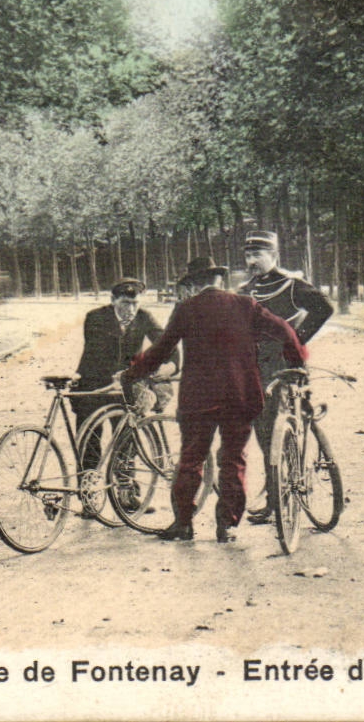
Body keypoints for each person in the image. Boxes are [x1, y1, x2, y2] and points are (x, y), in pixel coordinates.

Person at [122, 257, 305, 543]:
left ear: (194, 284)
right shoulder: (246, 305)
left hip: (199, 398)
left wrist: (134, 372)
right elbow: (284, 331)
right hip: (239, 397)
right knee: (233, 460)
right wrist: (296, 361)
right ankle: (227, 526)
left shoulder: (186, 309)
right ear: (220, 280)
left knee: (191, 459)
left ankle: (183, 524)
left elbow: (161, 350)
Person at [236, 230, 333, 524]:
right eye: (249, 255)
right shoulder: (245, 290)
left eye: (259, 255)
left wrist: (297, 339)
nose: (253, 261)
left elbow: (324, 308)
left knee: (290, 423)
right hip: (256, 367)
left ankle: (294, 481)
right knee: (264, 432)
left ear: (274, 256)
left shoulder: (291, 286)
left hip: (286, 363)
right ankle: (274, 495)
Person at [72, 278, 166, 472]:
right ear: (113, 300)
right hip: (93, 386)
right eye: (125, 303)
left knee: (126, 441)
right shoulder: (95, 318)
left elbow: (167, 345)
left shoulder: (144, 317)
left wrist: (166, 366)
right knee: (88, 445)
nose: (130, 310)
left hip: (124, 387)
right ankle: (88, 492)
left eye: (135, 304)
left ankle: (126, 490)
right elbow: (101, 354)